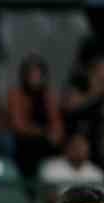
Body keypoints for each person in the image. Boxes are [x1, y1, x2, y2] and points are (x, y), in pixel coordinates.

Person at [7, 54, 65, 182]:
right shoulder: (16, 94)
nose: (35, 77)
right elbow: (18, 126)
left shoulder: (50, 96)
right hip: (24, 140)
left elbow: (57, 124)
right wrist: (43, 132)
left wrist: (55, 134)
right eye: (31, 73)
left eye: (38, 74)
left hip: (45, 142)